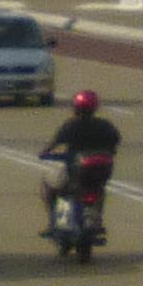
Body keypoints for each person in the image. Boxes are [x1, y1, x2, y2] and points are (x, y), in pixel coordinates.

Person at [36, 88, 119, 241]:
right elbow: (115, 142)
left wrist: (45, 153)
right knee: (99, 190)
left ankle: (56, 223)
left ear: (76, 107)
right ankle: (94, 220)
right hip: (100, 174)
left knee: (53, 186)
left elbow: (55, 143)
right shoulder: (105, 125)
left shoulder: (71, 125)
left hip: (76, 171)